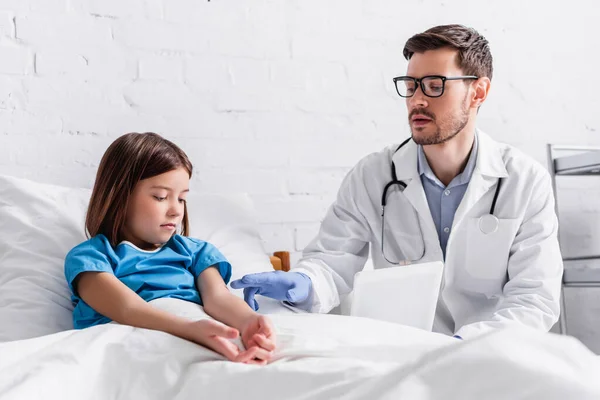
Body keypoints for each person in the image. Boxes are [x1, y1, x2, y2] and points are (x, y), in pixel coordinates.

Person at [231, 24, 564, 340]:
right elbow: (332, 261)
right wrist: (302, 282)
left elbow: (534, 298)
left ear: (478, 92)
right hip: (404, 350)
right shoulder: (373, 175)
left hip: (491, 354)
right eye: (410, 85)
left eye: (435, 86)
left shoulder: (523, 181)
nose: (417, 100)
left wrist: (467, 344)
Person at [64, 132, 275, 364]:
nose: (176, 210)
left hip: (200, 331)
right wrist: (190, 330)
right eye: (161, 197)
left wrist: (248, 322)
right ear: (119, 197)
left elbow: (218, 298)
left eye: (182, 199)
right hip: (136, 344)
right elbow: (128, 309)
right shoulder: (90, 258)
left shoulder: (196, 252)